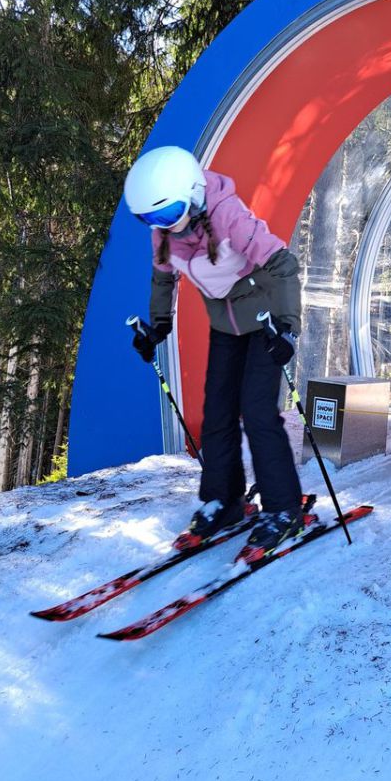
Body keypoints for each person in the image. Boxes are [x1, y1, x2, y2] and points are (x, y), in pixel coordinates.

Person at [123, 145, 305, 554]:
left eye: (170, 213)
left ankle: (283, 508)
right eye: (150, 219)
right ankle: (224, 501)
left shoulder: (226, 214)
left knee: (257, 412)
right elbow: (163, 279)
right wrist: (158, 327)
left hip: (264, 321)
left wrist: (287, 329)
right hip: (225, 325)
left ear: (192, 194)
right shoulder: (164, 234)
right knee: (217, 413)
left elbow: (283, 264)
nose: (163, 225)